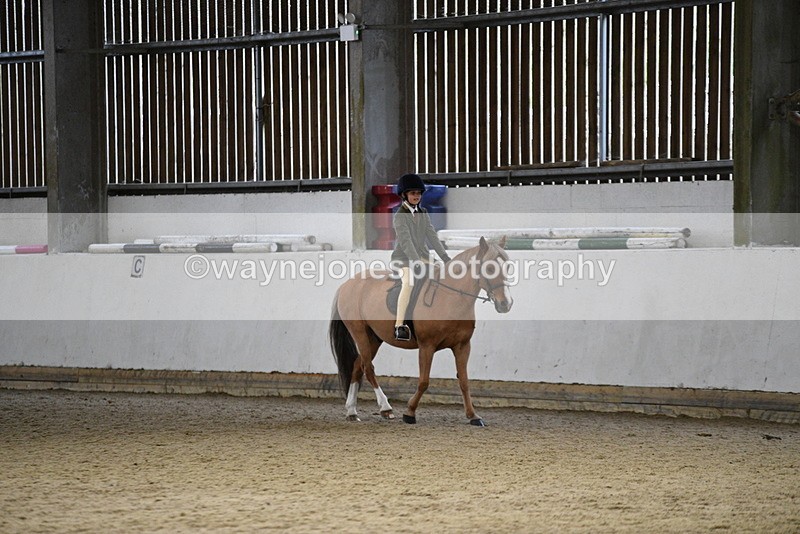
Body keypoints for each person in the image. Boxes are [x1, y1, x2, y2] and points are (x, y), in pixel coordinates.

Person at [390, 173, 451, 341]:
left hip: (422, 257)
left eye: (418, 193)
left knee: (444, 274)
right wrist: (415, 262)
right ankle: (399, 325)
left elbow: (432, 236)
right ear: (404, 195)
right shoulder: (399, 216)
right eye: (412, 193)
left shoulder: (423, 212)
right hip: (403, 259)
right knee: (408, 283)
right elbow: (406, 241)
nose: (416, 196)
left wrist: (445, 257)